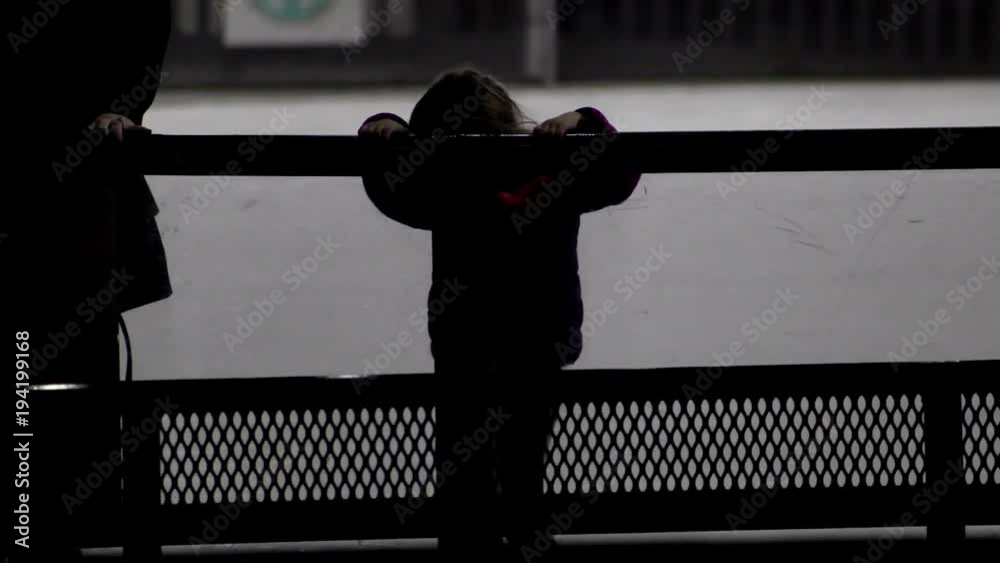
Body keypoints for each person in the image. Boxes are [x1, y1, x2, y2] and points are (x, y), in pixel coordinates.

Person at [359, 67, 641, 560]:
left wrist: (387, 128)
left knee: (461, 451)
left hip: (463, 332)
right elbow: (622, 171)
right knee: (525, 452)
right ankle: (525, 539)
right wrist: (587, 120)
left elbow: (390, 187)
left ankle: (468, 547)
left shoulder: (443, 178)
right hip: (541, 328)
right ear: (510, 118)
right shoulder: (552, 168)